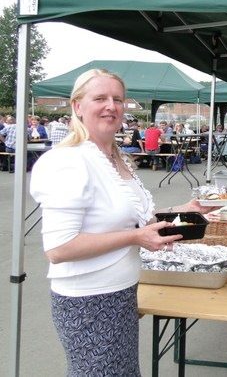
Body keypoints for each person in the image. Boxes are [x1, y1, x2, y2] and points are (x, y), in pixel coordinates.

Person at [29, 68, 210, 376]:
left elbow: (133, 221)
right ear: (77, 107)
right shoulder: (68, 161)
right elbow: (58, 248)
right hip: (88, 301)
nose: (111, 106)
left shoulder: (114, 158)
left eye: (118, 99)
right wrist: (135, 239)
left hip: (121, 294)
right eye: (99, 98)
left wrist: (180, 210)